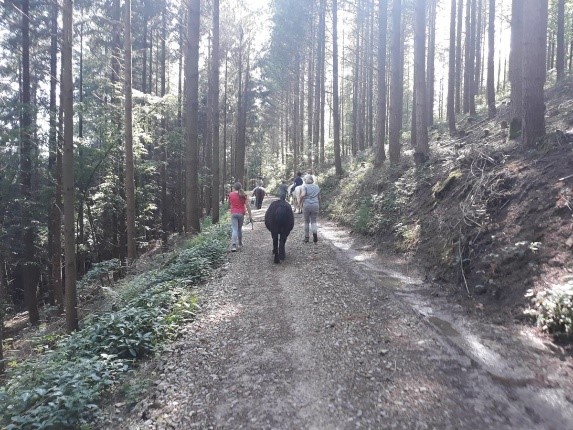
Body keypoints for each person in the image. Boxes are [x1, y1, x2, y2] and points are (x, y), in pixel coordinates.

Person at [229, 182, 252, 251]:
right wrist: (250, 215)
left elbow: (231, 203)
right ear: (241, 187)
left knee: (234, 229)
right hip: (241, 214)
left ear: (234, 187)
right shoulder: (244, 195)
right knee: (239, 229)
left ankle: (233, 246)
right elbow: (247, 206)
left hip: (233, 213)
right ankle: (240, 243)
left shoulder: (231, 194)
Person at [299, 174, 320, 243]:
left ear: (305, 180)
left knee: (306, 221)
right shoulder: (317, 186)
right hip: (315, 204)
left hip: (307, 205)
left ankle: (306, 238)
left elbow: (303, 194)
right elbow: (319, 197)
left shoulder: (304, 186)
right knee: (313, 221)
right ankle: (315, 237)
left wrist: (300, 202)